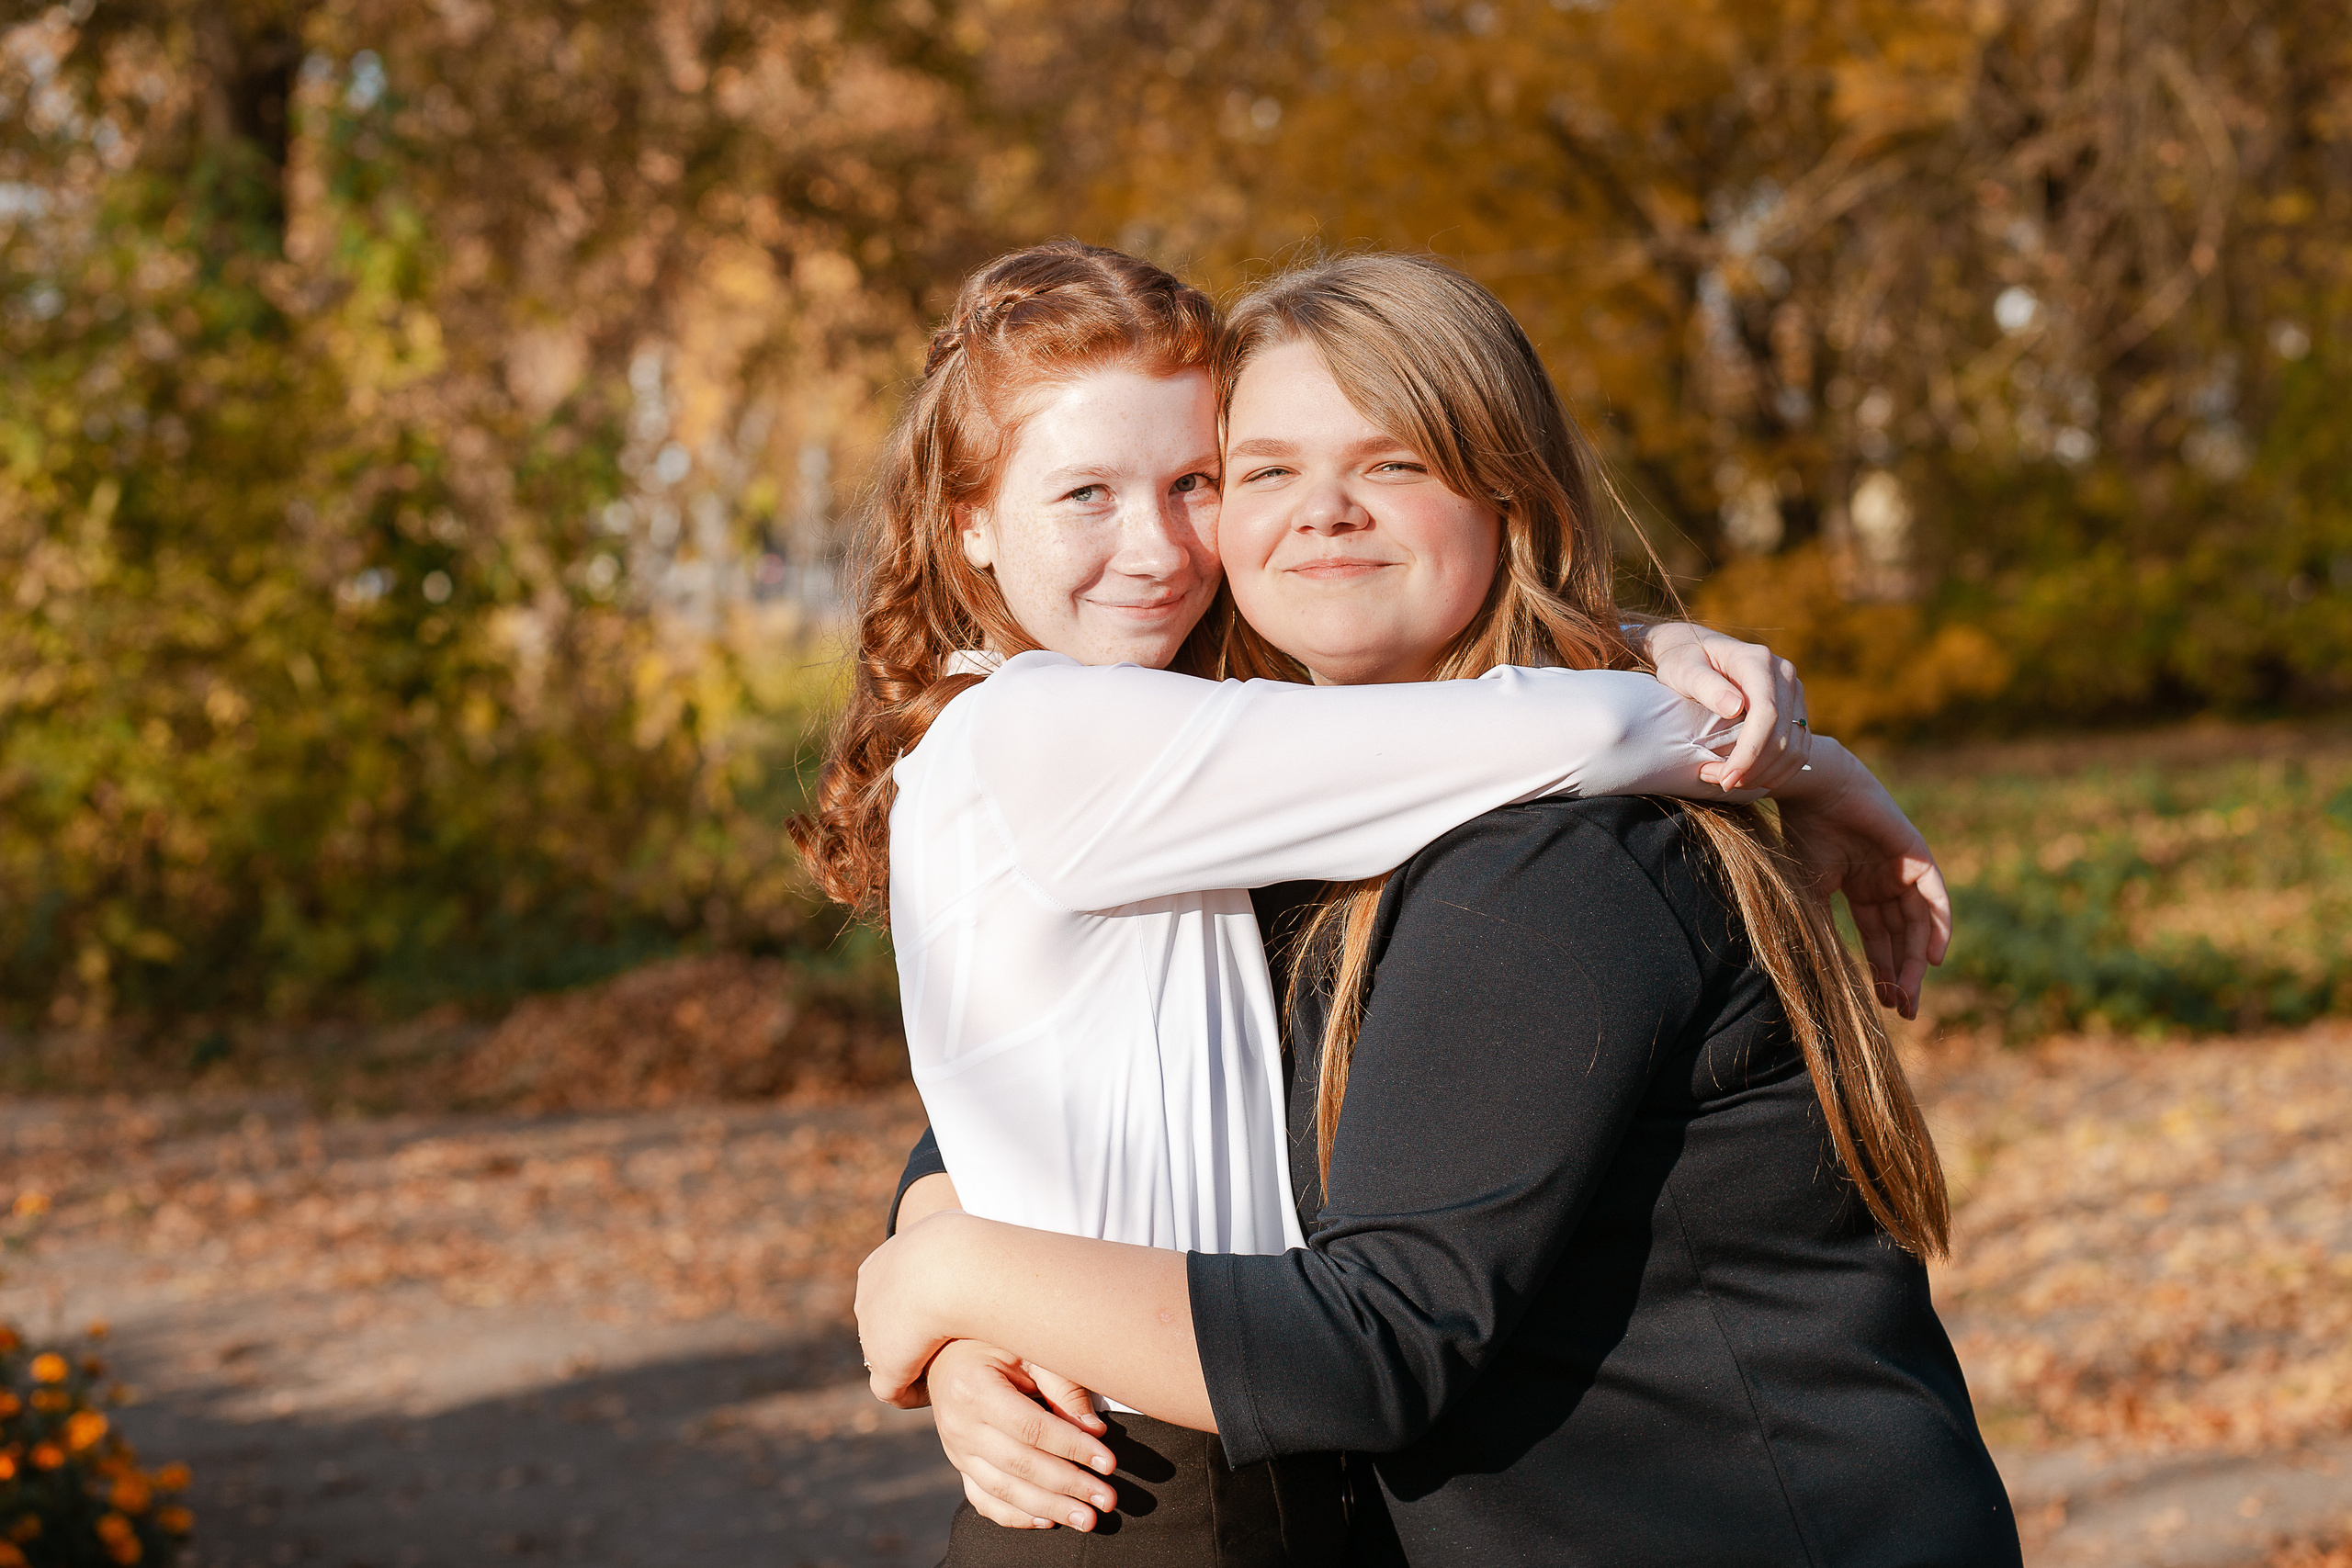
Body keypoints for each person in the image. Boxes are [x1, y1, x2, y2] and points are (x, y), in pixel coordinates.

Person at [855, 254, 2017, 1565]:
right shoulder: (1250, 805)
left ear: (1508, 494)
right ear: (970, 521)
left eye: (1394, 462)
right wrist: (960, 1278)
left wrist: (944, 1280)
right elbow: (1059, 1078)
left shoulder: (1554, 862)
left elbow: (1370, 1344)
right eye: (1263, 471)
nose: (1321, 514)